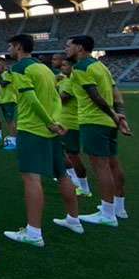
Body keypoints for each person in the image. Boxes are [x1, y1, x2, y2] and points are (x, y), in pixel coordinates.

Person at [2, 34, 82, 248]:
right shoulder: (44, 68)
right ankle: (74, 219)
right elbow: (56, 97)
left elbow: (30, 98)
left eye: (11, 46)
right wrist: (56, 121)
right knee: (62, 173)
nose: (9, 49)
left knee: (31, 178)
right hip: (51, 129)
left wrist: (48, 122)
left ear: (18, 47)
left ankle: (33, 232)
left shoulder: (20, 68)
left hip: (34, 128)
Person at [65, 35, 132, 226]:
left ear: (79, 48)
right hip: (108, 122)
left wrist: (113, 115)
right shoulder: (100, 66)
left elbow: (95, 96)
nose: (65, 49)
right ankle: (119, 208)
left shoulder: (81, 67)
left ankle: (108, 213)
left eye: (68, 46)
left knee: (101, 167)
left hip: (93, 121)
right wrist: (120, 116)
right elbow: (115, 93)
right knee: (113, 164)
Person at [57, 57, 92, 197]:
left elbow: (62, 99)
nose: (61, 67)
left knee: (73, 155)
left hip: (70, 123)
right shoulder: (66, 80)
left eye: (65, 65)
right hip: (65, 122)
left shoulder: (71, 80)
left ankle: (84, 188)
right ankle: (75, 180)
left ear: (72, 67)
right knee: (65, 153)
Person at [0, 58, 18, 150]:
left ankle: (14, 141)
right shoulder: (2, 74)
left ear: (3, 64)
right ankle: (13, 140)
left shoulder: (7, 73)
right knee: (8, 121)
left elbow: (4, 84)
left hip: (9, 100)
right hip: (4, 101)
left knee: (10, 121)